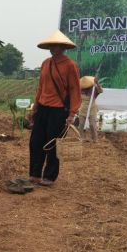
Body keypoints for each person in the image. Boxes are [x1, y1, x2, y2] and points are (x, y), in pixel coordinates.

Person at [28, 30, 81, 186]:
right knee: (36, 141)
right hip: (43, 107)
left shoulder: (70, 65)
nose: (53, 48)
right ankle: (34, 174)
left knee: (53, 143)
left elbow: (74, 90)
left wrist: (72, 113)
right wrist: (35, 107)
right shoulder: (46, 63)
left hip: (59, 110)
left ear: (63, 47)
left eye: (56, 46)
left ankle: (49, 176)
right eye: (51, 45)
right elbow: (41, 87)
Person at [78, 76, 102, 142]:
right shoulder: (80, 90)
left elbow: (101, 91)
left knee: (92, 125)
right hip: (83, 109)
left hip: (92, 109)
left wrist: (97, 83)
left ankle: (95, 139)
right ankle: (82, 138)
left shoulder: (94, 89)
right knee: (81, 125)